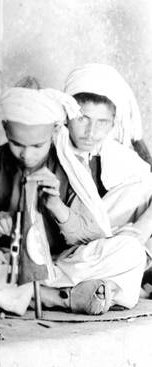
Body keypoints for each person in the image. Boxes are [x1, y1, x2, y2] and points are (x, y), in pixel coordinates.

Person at [0, 85, 147, 315]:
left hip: (60, 266)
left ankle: (14, 293)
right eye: (17, 144)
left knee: (131, 251)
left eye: (38, 146)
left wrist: (58, 207)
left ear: (54, 132)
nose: (27, 155)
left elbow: (93, 237)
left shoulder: (70, 164)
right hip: (4, 264)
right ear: (6, 130)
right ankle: (56, 298)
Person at [62, 64, 152, 268]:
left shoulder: (119, 156)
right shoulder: (55, 152)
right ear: (67, 115)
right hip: (75, 250)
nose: (91, 132)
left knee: (142, 189)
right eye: (82, 118)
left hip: (119, 244)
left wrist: (141, 229)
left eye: (102, 122)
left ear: (113, 123)